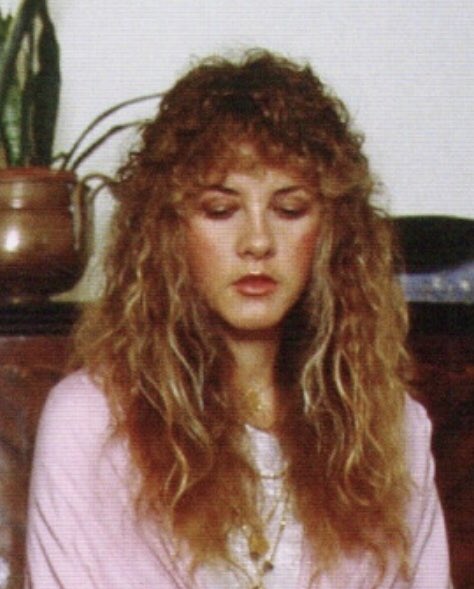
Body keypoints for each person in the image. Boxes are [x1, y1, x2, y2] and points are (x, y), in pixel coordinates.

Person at [24, 49, 452, 589]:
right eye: (221, 210)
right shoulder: (91, 423)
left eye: (289, 209)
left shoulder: (395, 430)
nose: (257, 242)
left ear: (331, 231)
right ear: (168, 229)